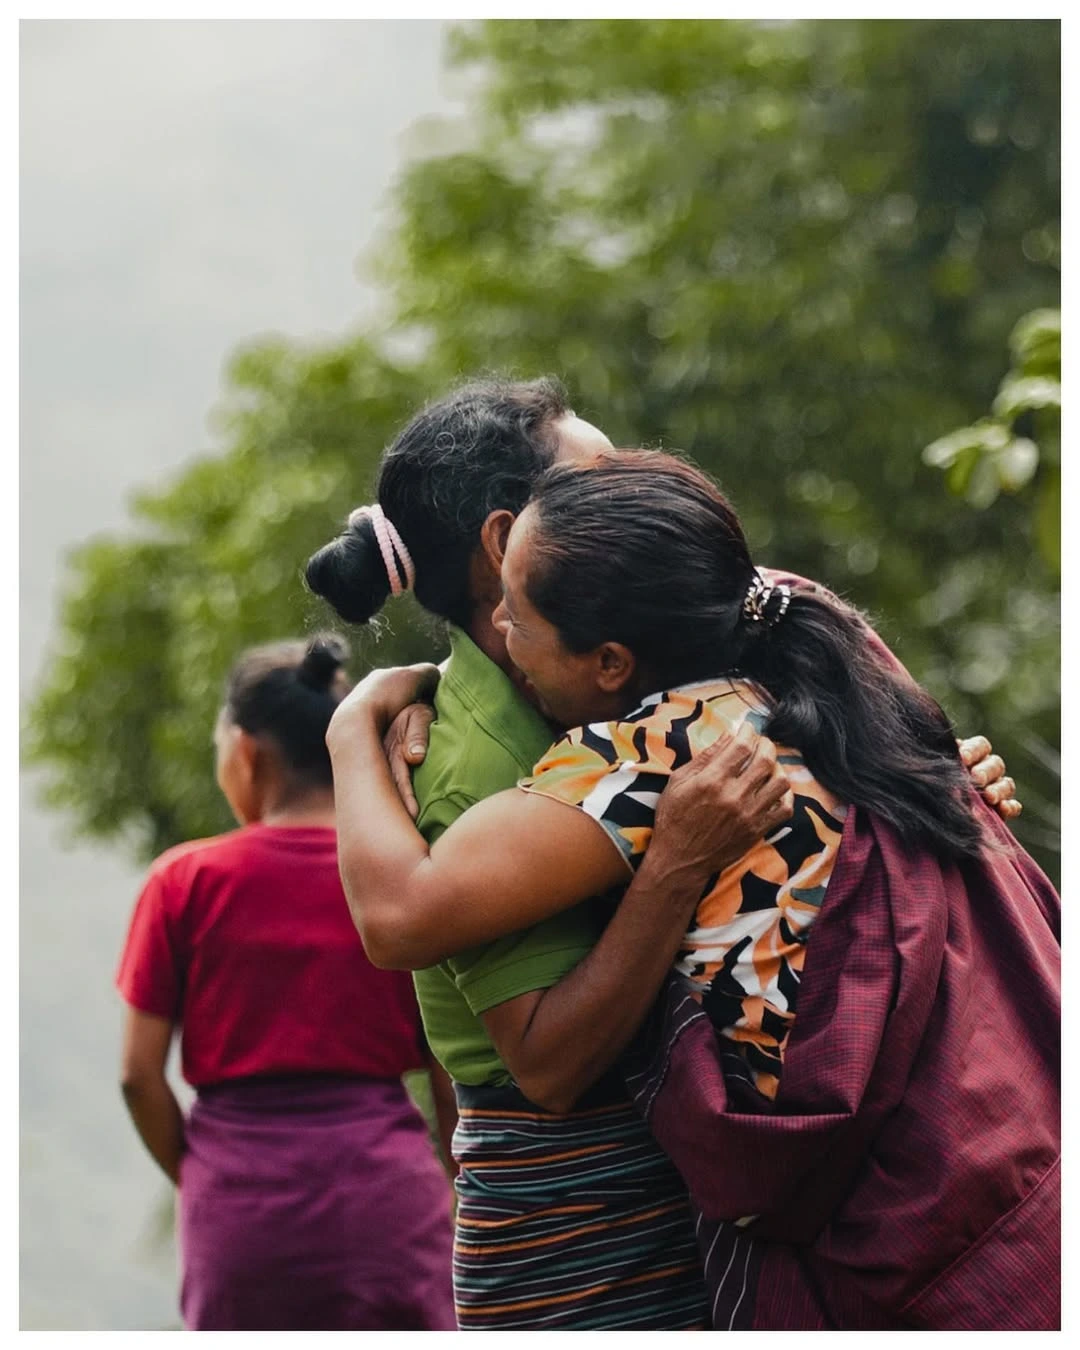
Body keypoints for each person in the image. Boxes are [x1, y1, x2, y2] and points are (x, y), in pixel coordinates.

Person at [305, 378, 1020, 1329]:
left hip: (726, 1201)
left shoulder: (676, 679)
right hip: (582, 1236)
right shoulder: (481, 761)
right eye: (602, 473)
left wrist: (918, 784)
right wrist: (355, 723)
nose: (637, 485)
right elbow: (544, 1066)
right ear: (506, 541)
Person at [115, 635, 457, 1332]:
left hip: (239, 1207)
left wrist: (206, 1176)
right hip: (385, 1197)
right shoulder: (404, 874)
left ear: (245, 752)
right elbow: (448, 1068)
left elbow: (136, 1077)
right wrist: (456, 1191)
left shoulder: (185, 882)